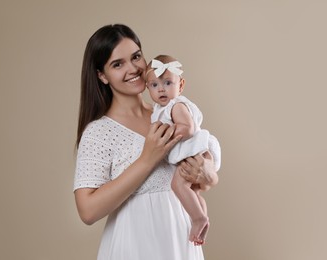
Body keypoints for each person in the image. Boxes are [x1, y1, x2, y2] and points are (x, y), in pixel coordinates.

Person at [73, 24, 220, 260]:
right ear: (102, 75)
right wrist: (146, 159)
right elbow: (87, 211)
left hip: (180, 236)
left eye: (136, 57)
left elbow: (199, 172)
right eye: (117, 64)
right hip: (134, 243)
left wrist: (208, 175)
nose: (133, 69)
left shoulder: (171, 114)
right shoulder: (99, 132)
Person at [145, 54, 219, 245]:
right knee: (194, 193)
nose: (161, 89)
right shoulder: (162, 108)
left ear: (181, 85)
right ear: (147, 88)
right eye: (154, 85)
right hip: (194, 152)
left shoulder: (175, 105)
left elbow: (188, 128)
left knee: (177, 185)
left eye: (168, 82)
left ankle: (198, 219)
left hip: (192, 153)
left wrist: (164, 134)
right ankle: (203, 219)